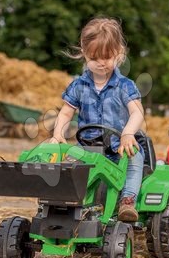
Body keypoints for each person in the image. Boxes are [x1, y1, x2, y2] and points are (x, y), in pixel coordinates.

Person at [50, 17, 145, 222]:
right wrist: (58, 133)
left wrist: (128, 133)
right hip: (87, 147)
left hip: (119, 146)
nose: (101, 63)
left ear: (118, 53)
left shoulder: (125, 86)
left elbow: (137, 112)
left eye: (107, 57)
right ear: (84, 54)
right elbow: (66, 112)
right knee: (66, 163)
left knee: (135, 156)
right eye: (95, 58)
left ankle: (127, 201)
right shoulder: (78, 86)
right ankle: (67, 204)